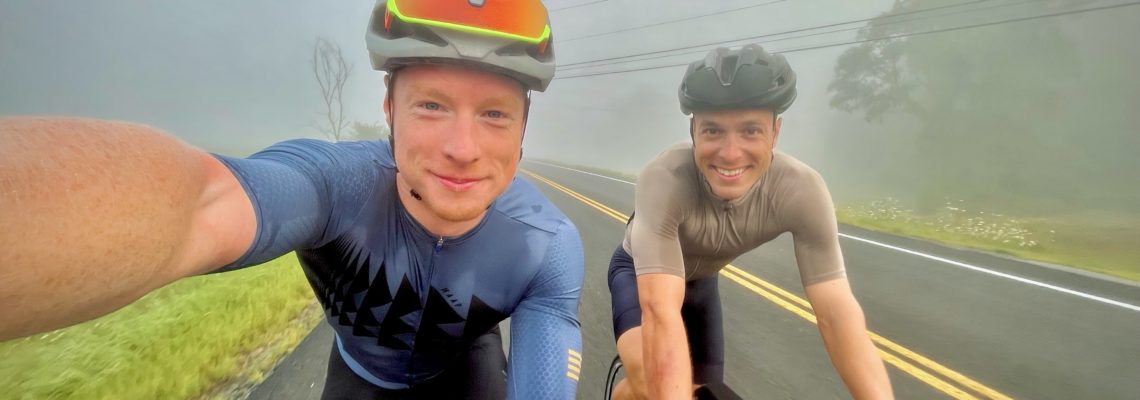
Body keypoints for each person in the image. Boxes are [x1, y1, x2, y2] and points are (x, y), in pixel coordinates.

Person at [0, 0, 584, 398]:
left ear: (524, 127)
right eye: (431, 105)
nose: (463, 147)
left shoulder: (545, 244)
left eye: (494, 115)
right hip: (359, 379)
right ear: (388, 110)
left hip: (466, 373)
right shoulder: (336, 185)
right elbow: (200, 202)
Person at [607, 44, 894, 399]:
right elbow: (660, 312)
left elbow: (837, 313)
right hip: (639, 277)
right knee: (652, 388)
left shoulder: (801, 191)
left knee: (709, 394)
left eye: (750, 131)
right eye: (713, 131)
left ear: (775, 133)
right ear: (693, 130)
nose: (730, 153)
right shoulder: (664, 179)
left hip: (702, 285)